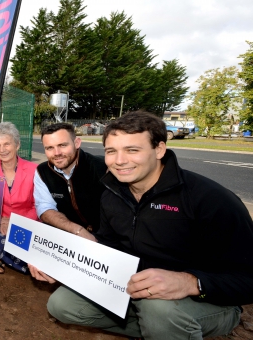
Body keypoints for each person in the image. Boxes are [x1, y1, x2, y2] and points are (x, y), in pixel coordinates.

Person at [37, 112, 253, 339]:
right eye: (111, 151)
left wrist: (191, 282)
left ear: (159, 149)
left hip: (205, 298)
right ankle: (157, 330)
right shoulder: (111, 194)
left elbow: (247, 278)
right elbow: (107, 248)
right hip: (134, 287)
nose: (119, 160)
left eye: (132, 150)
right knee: (62, 305)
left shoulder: (211, 199)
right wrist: (60, 261)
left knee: (157, 310)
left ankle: (164, 325)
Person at [33, 123, 107, 241]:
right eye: (49, 148)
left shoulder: (103, 167)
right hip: (67, 235)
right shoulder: (42, 171)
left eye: (62, 145)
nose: (57, 153)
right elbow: (45, 208)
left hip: (105, 239)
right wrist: (77, 230)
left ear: (77, 143)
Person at [0, 122, 37, 274]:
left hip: (27, 221)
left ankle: (2, 257)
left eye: (7, 144)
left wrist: (14, 222)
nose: (2, 149)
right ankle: (2, 255)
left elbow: (38, 206)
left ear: (17, 145)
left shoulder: (34, 170)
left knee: (21, 243)